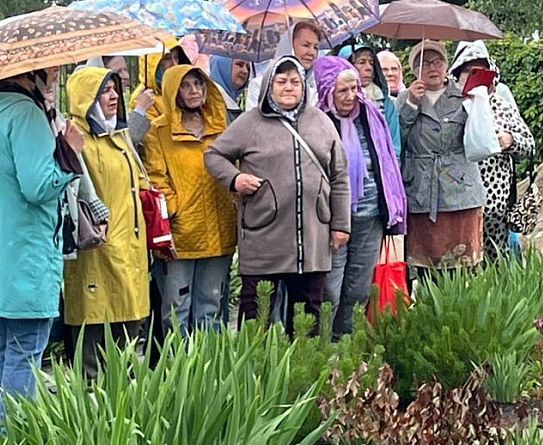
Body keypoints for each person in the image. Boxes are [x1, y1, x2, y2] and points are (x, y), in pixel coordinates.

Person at [0, 68, 83, 424]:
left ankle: (0, 439)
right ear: (32, 70)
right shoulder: (25, 113)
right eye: (51, 68)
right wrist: (69, 152)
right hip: (22, 253)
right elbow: (38, 187)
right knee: (25, 352)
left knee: (2, 348)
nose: (55, 73)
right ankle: (19, 439)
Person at [205, 56, 351, 337]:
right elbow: (214, 155)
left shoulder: (320, 121)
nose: (289, 87)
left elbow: (339, 176)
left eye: (295, 81)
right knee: (255, 317)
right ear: (269, 85)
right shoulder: (250, 122)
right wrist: (235, 179)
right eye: (281, 81)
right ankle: (255, 366)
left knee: (308, 317)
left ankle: (304, 365)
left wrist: (341, 225)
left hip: (311, 238)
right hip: (264, 237)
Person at [63, 68, 150, 380]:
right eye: (104, 91)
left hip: (129, 245)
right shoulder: (78, 139)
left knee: (128, 321)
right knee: (95, 322)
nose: (114, 96)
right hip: (97, 246)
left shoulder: (119, 134)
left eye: (114, 89)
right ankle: (91, 393)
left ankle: (121, 394)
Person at [313, 56, 407, 339]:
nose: (350, 96)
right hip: (332, 218)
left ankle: (348, 343)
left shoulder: (370, 116)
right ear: (327, 90)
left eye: (354, 88)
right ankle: (323, 346)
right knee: (331, 287)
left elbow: (387, 160)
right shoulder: (318, 122)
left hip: (369, 213)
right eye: (342, 90)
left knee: (359, 287)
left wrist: (393, 207)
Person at [141, 66, 236, 334]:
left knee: (211, 307)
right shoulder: (158, 131)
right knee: (176, 310)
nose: (194, 91)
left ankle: (210, 360)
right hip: (179, 237)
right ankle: (178, 361)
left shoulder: (221, 128)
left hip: (218, 233)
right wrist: (176, 212)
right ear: (173, 91)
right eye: (185, 85)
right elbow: (155, 178)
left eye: (199, 84)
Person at [397, 40, 486, 274]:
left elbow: (477, 135)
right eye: (424, 63)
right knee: (425, 265)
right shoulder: (404, 98)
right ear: (414, 70)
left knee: (462, 267)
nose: (432, 68)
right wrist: (411, 105)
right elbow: (396, 141)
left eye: (438, 62)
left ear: (447, 66)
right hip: (421, 189)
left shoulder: (465, 96)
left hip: (460, 188)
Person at [449, 42, 535, 260]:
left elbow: (529, 144)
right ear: (457, 74)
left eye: (483, 71)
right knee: (459, 261)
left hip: (495, 204)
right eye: (470, 71)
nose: (477, 77)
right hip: (455, 201)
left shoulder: (501, 105)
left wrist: (509, 140)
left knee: (495, 259)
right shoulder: (448, 106)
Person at [244, 21, 323, 113]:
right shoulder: (259, 85)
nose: (312, 52)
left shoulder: (315, 89)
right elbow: (253, 120)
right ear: (289, 45)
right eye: (306, 45)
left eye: (315, 47)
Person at [338, 43, 402, 157]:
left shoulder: (385, 103)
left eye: (371, 63)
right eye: (362, 62)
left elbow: (394, 146)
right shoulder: (337, 101)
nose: (368, 68)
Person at [208, 55, 250, 123]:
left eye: (248, 67)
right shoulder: (210, 100)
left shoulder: (231, 100)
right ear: (223, 66)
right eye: (239, 65)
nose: (246, 71)